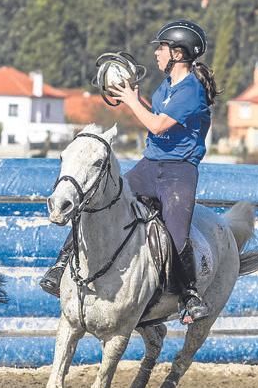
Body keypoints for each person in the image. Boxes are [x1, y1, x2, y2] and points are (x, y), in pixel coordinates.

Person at [39, 19, 219, 325]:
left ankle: (189, 294)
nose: (157, 53)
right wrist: (129, 98)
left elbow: (157, 124)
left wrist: (133, 99)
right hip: (150, 165)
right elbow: (156, 114)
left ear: (178, 52)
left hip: (178, 173)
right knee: (96, 202)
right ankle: (61, 266)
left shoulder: (191, 89)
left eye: (162, 47)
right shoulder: (167, 86)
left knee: (175, 235)